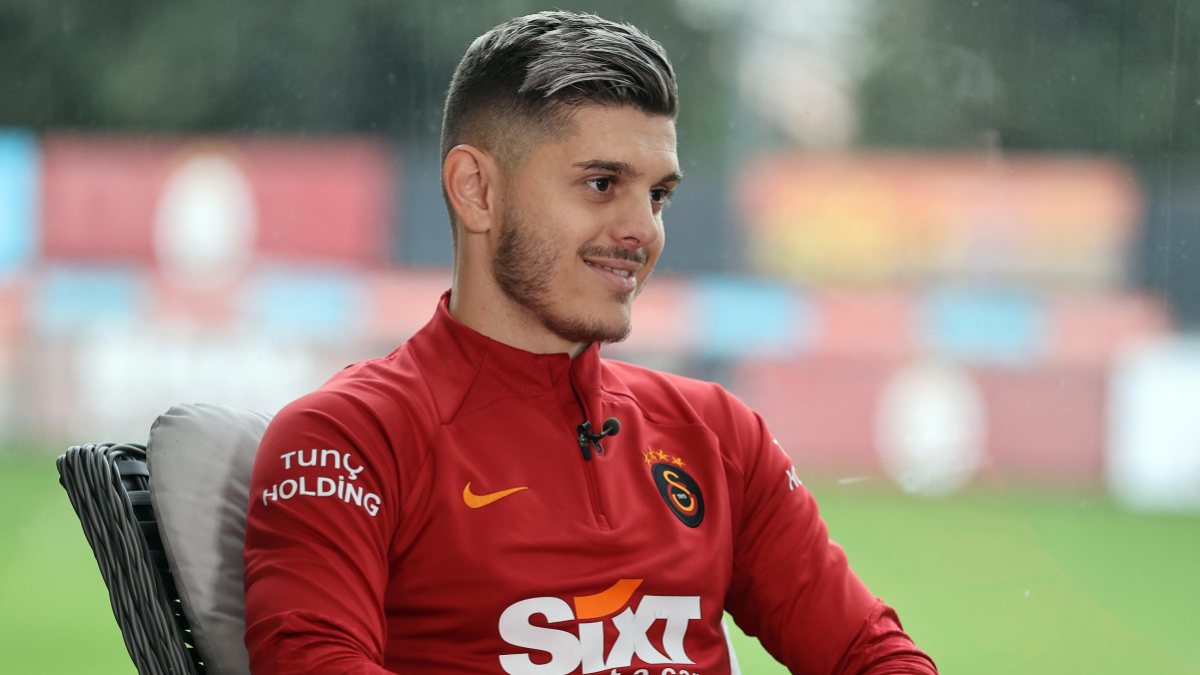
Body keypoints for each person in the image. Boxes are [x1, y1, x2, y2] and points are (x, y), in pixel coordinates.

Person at [242, 10, 937, 675]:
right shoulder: (349, 437)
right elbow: (312, 661)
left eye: (658, 195)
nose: (644, 230)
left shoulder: (719, 435)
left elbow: (872, 653)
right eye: (602, 184)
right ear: (475, 190)